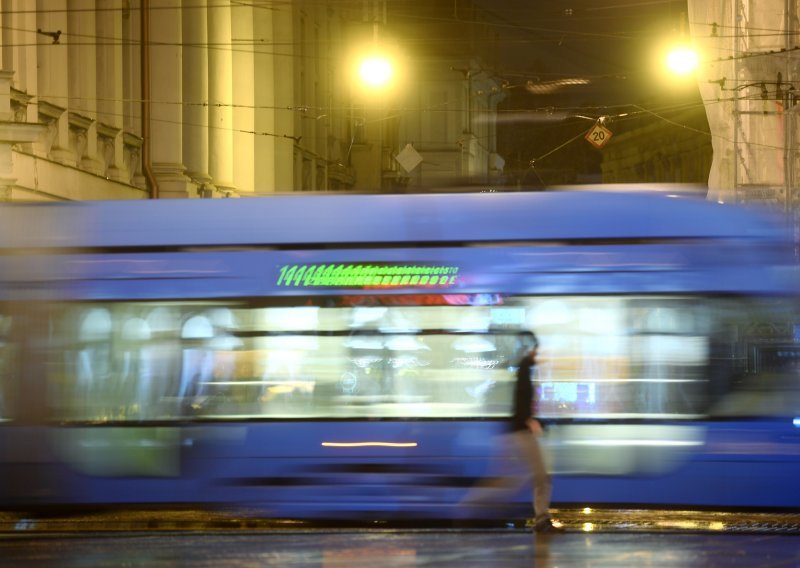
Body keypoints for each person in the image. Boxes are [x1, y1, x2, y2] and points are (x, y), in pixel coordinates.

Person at [460, 331, 563, 532]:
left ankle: (467, 505)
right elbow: (521, 400)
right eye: (535, 348)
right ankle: (541, 519)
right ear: (528, 348)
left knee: (506, 480)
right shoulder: (523, 368)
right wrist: (530, 420)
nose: (538, 353)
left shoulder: (521, 367)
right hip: (521, 432)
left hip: (512, 432)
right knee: (541, 476)